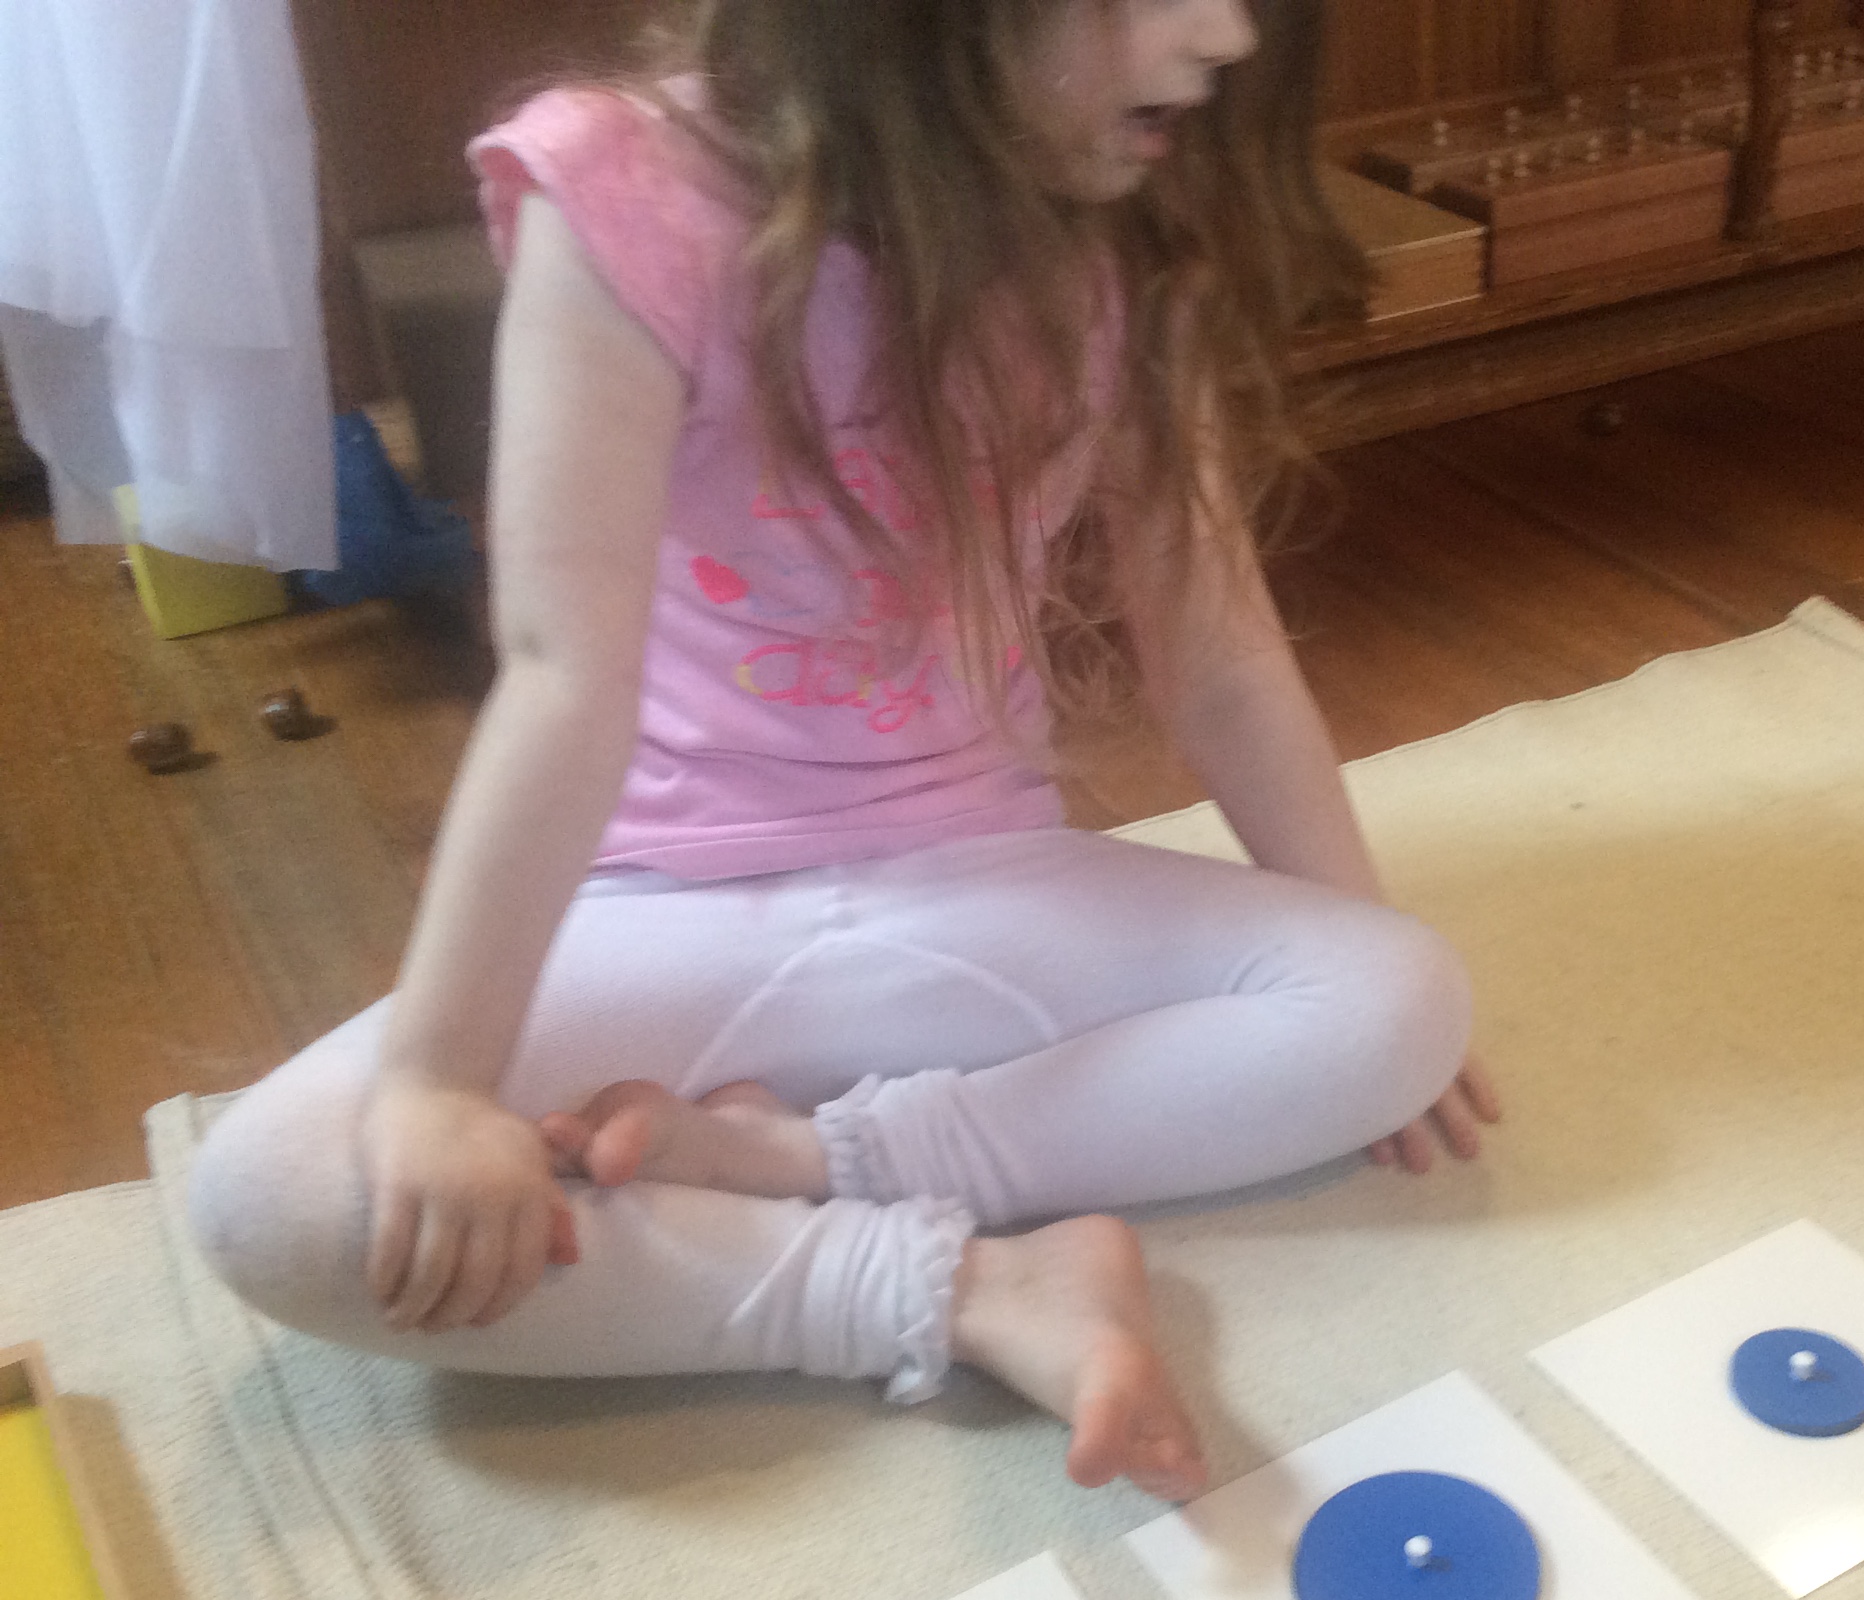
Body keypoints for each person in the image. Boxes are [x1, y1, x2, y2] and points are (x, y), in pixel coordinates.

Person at [187, 0, 1499, 1504]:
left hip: (981, 891)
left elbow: (1223, 661)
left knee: (1402, 995)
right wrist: (436, 1083)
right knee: (274, 1195)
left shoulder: (1124, 227)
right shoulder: (620, 188)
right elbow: (557, 677)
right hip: (669, 907)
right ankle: (970, 1293)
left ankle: (798, 1161)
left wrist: (1374, 1009)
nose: (1225, 35)